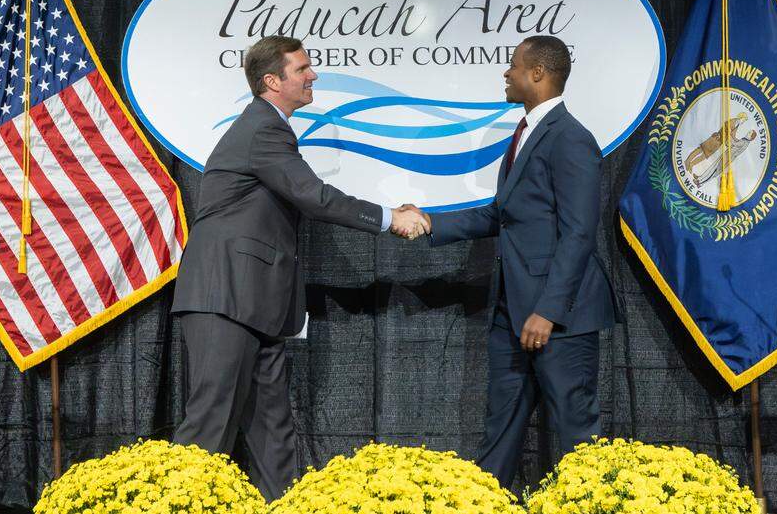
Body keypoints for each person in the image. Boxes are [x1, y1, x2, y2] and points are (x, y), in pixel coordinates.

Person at [171, 35, 427, 500]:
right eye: (303, 68)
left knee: (274, 432)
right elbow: (315, 196)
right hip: (225, 297)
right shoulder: (262, 129)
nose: (313, 75)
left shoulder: (269, 128)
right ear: (273, 81)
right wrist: (392, 219)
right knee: (209, 427)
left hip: (257, 303)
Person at [404, 35, 614, 487]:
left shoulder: (571, 139)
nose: (506, 73)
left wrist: (549, 310)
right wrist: (429, 223)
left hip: (559, 317)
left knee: (579, 437)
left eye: (513, 66)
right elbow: (502, 214)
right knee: (500, 432)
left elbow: (579, 234)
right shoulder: (525, 134)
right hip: (511, 312)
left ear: (537, 73)